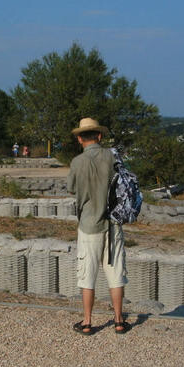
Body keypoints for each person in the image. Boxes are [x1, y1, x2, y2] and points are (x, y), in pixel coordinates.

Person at [67, 118, 130, 335]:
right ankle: (119, 320)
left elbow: (70, 188)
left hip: (88, 225)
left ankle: (87, 322)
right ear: (100, 136)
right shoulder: (112, 157)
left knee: (87, 275)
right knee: (116, 274)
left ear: (79, 138)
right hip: (113, 224)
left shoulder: (77, 162)